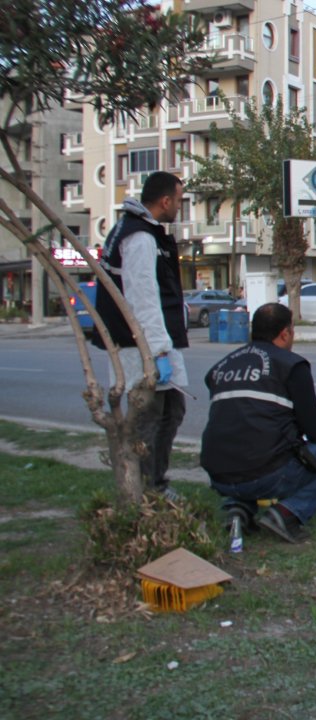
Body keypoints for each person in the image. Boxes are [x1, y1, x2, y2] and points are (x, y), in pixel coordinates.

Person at [200, 303, 316, 543]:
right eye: (292, 329)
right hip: (265, 473)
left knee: (249, 447)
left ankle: (237, 508)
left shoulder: (222, 366)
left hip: (218, 474)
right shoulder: (292, 365)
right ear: (285, 333)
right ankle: (286, 514)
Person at [91, 170, 188, 501]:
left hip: (149, 345)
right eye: (178, 200)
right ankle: (147, 489)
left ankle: (154, 482)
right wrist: (158, 353)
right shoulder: (140, 237)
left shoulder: (135, 229)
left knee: (172, 410)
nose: (179, 206)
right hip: (142, 348)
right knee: (149, 420)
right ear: (164, 201)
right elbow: (142, 297)